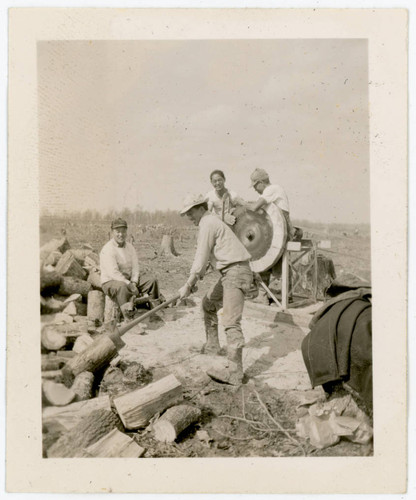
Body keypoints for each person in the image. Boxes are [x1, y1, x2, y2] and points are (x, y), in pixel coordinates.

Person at [178, 194, 254, 386]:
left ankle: (236, 372)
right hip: (230, 271)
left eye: (190, 213)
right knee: (209, 304)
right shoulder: (211, 222)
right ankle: (213, 346)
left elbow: (200, 257)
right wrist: (195, 280)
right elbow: (211, 260)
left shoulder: (207, 223)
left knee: (230, 322)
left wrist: (188, 284)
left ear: (200, 208)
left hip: (236, 272)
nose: (189, 217)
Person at [100, 218, 163, 321]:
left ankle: (154, 311)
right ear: (112, 232)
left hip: (129, 280)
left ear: (126, 232)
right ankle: (129, 320)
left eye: (123, 231)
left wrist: (134, 281)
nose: (121, 234)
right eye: (118, 231)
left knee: (152, 281)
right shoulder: (108, 249)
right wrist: (129, 284)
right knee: (122, 287)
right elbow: (113, 273)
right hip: (111, 282)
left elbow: (135, 267)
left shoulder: (130, 247)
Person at [249, 168, 294, 304]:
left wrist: (239, 203)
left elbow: (254, 208)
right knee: (265, 262)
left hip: (281, 231)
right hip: (274, 231)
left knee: (277, 265)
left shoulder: (272, 189)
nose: (255, 189)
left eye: (255, 186)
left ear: (261, 182)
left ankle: (279, 297)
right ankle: (267, 296)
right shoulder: (270, 192)